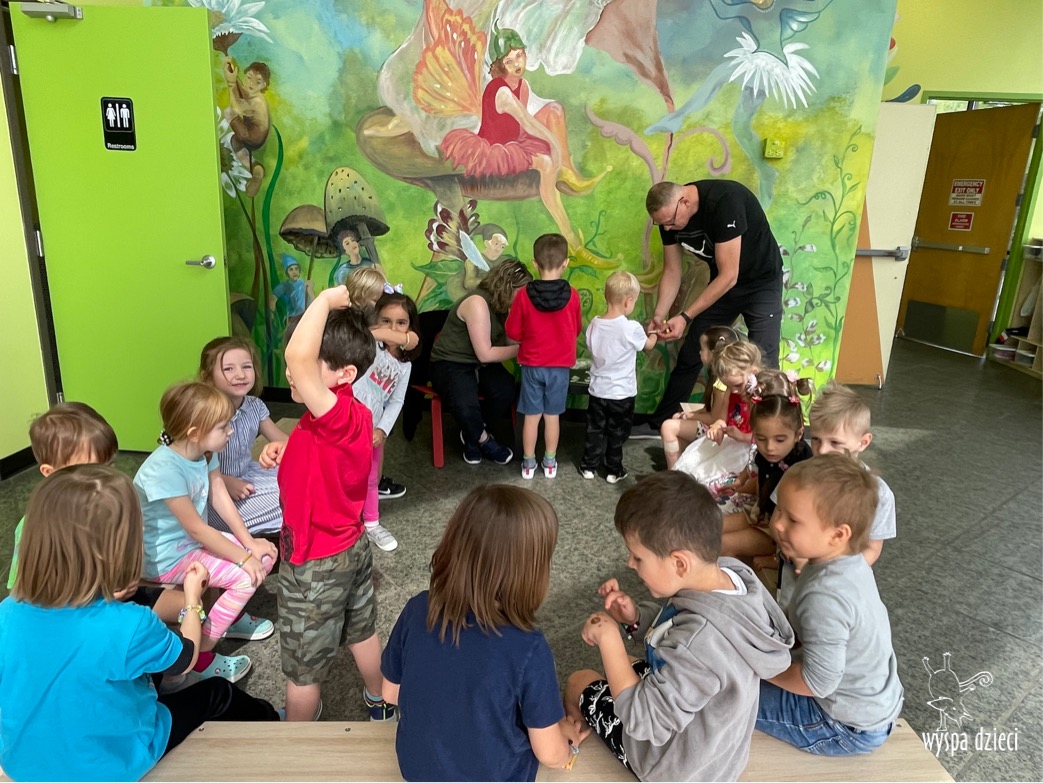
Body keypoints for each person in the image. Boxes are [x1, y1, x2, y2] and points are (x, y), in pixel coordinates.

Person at [0, 466, 278, 782]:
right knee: (218, 693)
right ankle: (273, 722)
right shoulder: (131, 623)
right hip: (111, 766)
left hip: (22, 763)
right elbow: (186, 658)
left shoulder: (7, 612)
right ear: (120, 553)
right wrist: (192, 599)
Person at [564, 471, 793, 781]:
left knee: (579, 680)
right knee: (625, 665)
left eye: (638, 557)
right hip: (719, 754)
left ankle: (573, 745)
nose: (630, 564)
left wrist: (610, 639)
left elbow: (644, 720)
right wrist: (635, 619)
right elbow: (678, 626)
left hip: (671, 766)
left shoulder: (699, 644)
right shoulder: (731, 575)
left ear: (680, 563)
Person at [381, 485, 590, 781]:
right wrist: (569, 746)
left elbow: (390, 693)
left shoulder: (418, 609)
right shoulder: (529, 648)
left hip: (417, 772)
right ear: (530, 573)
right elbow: (550, 754)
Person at [257, 286, 394, 723]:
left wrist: (325, 300)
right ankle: (381, 700)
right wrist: (286, 450)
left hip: (314, 562)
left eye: (308, 364)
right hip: (349, 546)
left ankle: (298, 737)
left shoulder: (339, 416)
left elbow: (298, 358)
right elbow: (325, 458)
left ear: (346, 374)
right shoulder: (343, 416)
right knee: (361, 630)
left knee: (302, 668)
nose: (291, 371)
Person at [759, 455, 904, 755]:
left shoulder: (826, 595)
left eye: (792, 519)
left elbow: (817, 682)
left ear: (838, 534)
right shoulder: (847, 562)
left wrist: (760, 668)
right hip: (871, 706)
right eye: (779, 510)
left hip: (842, 726)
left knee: (728, 692)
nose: (777, 524)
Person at [134, 382, 278, 683]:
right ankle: (200, 652)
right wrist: (242, 557)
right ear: (194, 432)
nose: (231, 431)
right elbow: (197, 528)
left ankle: (224, 618)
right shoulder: (164, 469)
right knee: (246, 576)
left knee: (263, 557)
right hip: (166, 558)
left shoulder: (205, 453)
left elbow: (220, 496)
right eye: (223, 427)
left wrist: (249, 543)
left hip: (191, 545)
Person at [630, 180, 783, 437]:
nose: (667, 228)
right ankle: (662, 423)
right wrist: (659, 315)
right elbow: (672, 271)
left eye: (670, 222)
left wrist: (685, 316)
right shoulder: (669, 218)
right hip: (723, 286)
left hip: (761, 283)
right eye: (661, 224)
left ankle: (768, 434)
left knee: (765, 359)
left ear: (684, 203)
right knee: (694, 348)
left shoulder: (725, 201)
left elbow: (729, 275)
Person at [776, 381, 898, 606]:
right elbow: (779, 520)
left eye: (835, 442)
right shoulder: (799, 475)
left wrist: (833, 574)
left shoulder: (879, 493)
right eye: (816, 439)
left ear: (863, 442)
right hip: (795, 581)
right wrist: (797, 554)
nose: (822, 450)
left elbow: (873, 547)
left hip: (839, 589)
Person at [430, 258, 533, 465]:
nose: (525, 298)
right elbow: (485, 354)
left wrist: (518, 319)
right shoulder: (477, 302)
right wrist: (526, 350)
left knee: (505, 389)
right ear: (507, 286)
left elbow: (508, 342)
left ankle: (472, 435)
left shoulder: (503, 307)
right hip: (451, 362)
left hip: (479, 363)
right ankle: (485, 441)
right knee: (465, 402)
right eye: (522, 292)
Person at [6, 401, 119, 590]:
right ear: (50, 472)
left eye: (110, 466)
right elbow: (22, 590)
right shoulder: (33, 526)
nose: (105, 479)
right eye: (91, 471)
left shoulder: (107, 506)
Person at [505, 234, 582, 479]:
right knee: (552, 417)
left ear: (535, 263)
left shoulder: (523, 296)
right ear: (565, 263)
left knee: (531, 417)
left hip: (531, 365)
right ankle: (549, 462)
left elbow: (512, 332)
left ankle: (528, 464)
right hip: (560, 367)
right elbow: (576, 329)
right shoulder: (573, 295)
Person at [720, 370, 814, 560]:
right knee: (710, 527)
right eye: (761, 439)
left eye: (780, 440)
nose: (770, 447)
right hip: (761, 513)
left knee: (721, 544)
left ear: (798, 434)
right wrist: (738, 487)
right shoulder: (765, 454)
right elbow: (762, 478)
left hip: (780, 534)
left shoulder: (803, 464)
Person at [199, 336, 286, 537]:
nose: (240, 375)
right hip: (215, 496)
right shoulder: (203, 413)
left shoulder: (254, 405)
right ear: (207, 377)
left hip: (249, 476)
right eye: (228, 369)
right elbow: (189, 468)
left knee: (306, 480)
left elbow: (284, 442)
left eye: (246, 366)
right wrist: (224, 481)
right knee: (296, 498)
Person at [356, 291, 422, 552]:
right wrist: (403, 337)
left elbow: (396, 401)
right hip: (348, 417)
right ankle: (343, 521)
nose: (393, 329)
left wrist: (382, 429)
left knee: (372, 477)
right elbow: (366, 333)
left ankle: (372, 524)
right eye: (386, 321)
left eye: (401, 323)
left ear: (411, 325)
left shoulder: (405, 366)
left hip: (374, 427)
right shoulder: (369, 345)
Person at [580, 270, 657, 483]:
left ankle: (588, 466)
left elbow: (591, 346)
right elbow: (648, 345)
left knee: (594, 430)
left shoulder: (594, 323)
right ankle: (613, 470)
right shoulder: (631, 328)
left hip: (597, 391)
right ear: (628, 301)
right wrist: (654, 333)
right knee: (617, 433)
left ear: (606, 295)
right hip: (622, 394)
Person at [659, 325, 741, 469]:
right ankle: (683, 466)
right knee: (677, 417)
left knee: (668, 427)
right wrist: (690, 414)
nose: (700, 352)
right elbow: (710, 409)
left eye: (702, 349)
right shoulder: (717, 378)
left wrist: (690, 415)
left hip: (716, 430)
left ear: (713, 353)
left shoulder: (722, 383)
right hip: (712, 424)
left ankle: (673, 472)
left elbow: (714, 418)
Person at [222, 57, 271, 197]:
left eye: (258, 82)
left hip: (252, 136)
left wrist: (231, 83)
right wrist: (234, 76)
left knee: (229, 112)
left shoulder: (257, 101)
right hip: (253, 135)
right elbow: (243, 92)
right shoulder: (255, 94)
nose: (251, 83)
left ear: (264, 85)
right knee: (235, 143)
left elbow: (237, 108)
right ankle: (256, 170)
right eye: (249, 77)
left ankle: (254, 168)